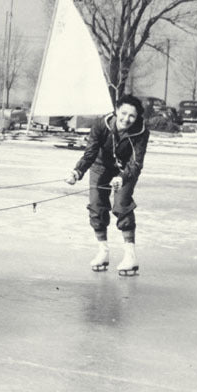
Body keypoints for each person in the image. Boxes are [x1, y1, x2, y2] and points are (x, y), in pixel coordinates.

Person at [65, 94, 149, 275]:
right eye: (124, 113)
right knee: (96, 204)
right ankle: (103, 251)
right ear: (116, 110)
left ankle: (130, 256)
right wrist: (77, 171)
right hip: (100, 165)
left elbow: (136, 163)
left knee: (122, 203)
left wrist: (123, 178)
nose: (126, 119)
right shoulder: (100, 125)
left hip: (126, 170)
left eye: (132, 116)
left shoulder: (141, 132)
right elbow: (90, 153)